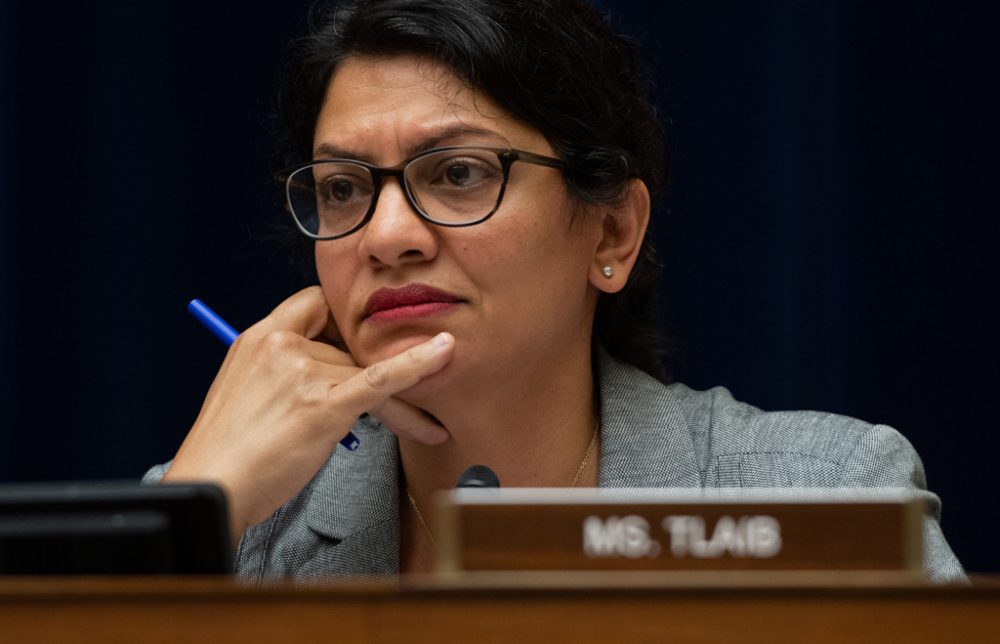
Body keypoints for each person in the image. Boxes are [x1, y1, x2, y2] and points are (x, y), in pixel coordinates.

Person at [144, 0, 964, 582]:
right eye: (343, 188)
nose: (386, 234)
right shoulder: (233, 522)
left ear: (609, 233)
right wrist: (189, 516)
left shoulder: (822, 496)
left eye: (459, 173)